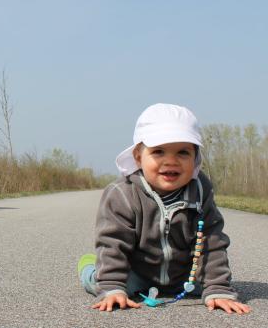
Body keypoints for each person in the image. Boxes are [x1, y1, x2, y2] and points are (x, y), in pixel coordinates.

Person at [77, 103, 251, 314]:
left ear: (195, 158)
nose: (171, 161)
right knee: (105, 284)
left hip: (185, 274)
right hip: (137, 271)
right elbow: (113, 242)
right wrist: (112, 286)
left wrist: (218, 288)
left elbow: (211, 241)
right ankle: (90, 267)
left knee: (211, 289)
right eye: (158, 151)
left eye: (183, 152)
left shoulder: (200, 190)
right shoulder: (123, 193)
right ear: (138, 157)